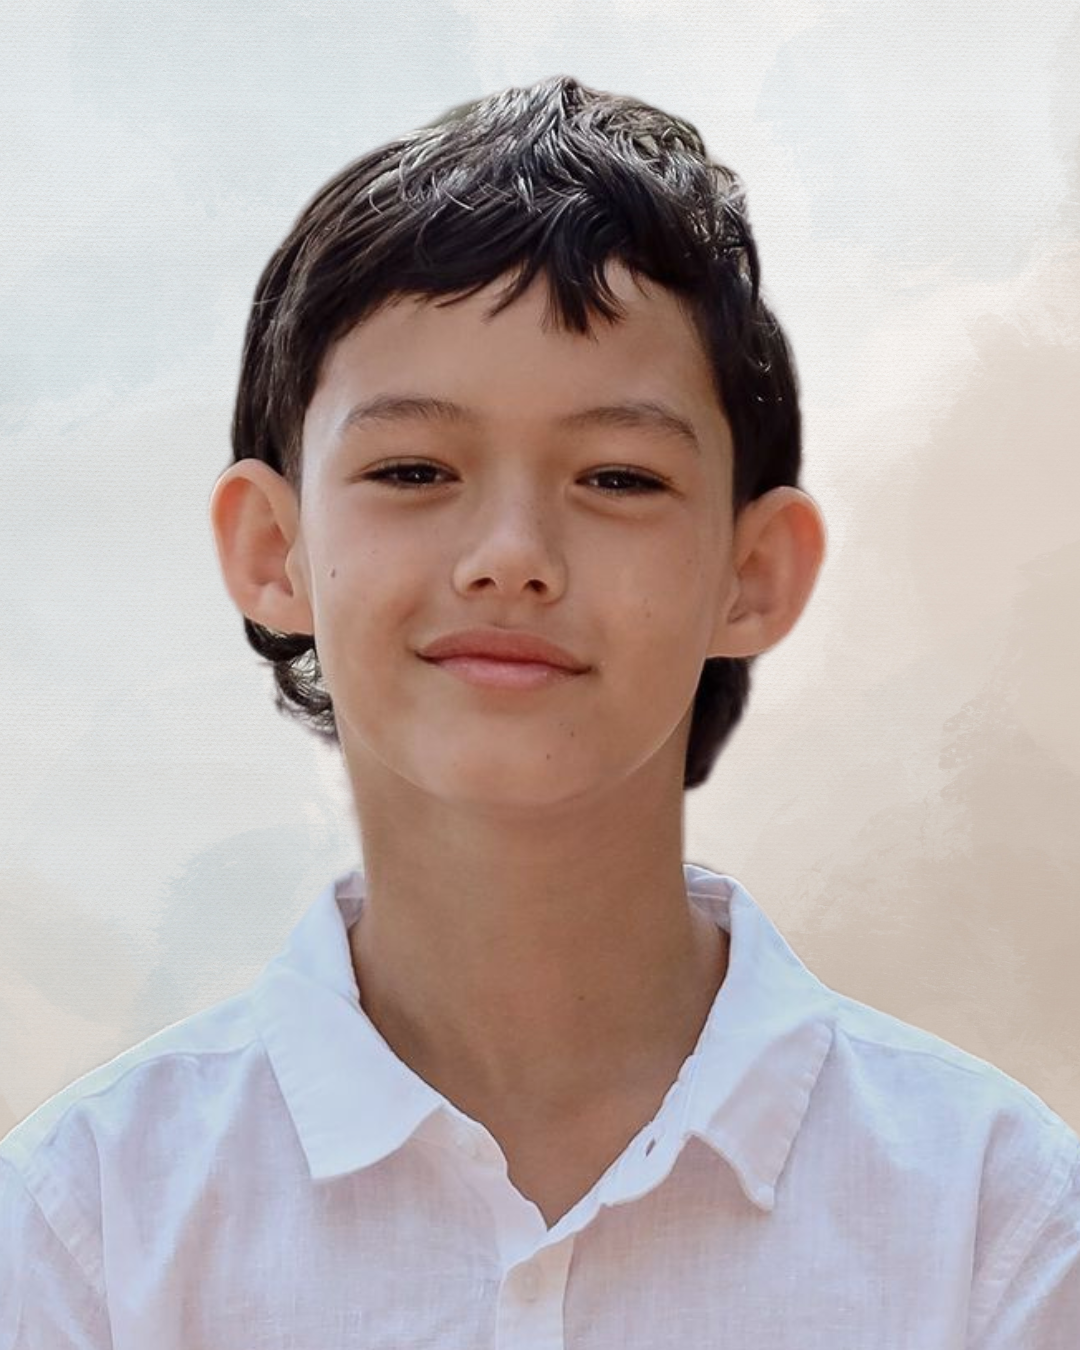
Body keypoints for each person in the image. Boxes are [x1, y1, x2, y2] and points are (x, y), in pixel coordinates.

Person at [1, 74, 1077, 1348]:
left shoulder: (996, 1227)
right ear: (273, 550)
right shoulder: (86, 1228)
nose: (510, 555)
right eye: (414, 469)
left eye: (618, 475)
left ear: (755, 572)